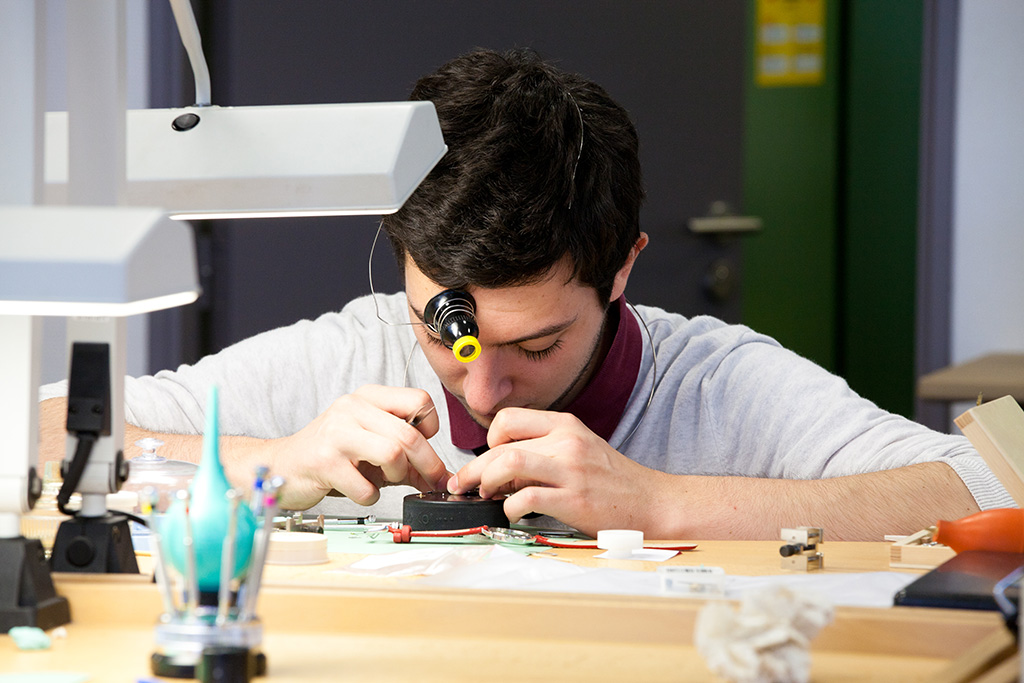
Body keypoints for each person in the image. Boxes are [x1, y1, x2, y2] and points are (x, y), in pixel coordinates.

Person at [38, 48, 1011, 540]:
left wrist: (661, 502)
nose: (481, 390)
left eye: (536, 346)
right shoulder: (350, 351)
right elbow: (40, 436)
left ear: (621, 268)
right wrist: (270, 461)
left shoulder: (717, 384)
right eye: (444, 329)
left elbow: (993, 491)